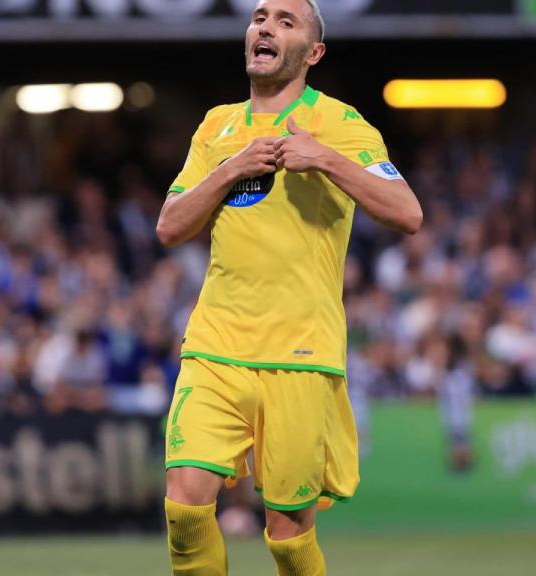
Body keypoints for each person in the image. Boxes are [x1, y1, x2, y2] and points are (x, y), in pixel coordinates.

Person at [155, 1, 422, 574]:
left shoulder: (342, 125)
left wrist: (324, 159)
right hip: (215, 346)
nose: (265, 27)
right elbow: (170, 226)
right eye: (258, 17)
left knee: (288, 533)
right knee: (184, 502)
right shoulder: (216, 126)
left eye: (284, 20)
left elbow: (408, 213)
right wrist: (232, 167)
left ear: (313, 52)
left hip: (301, 352)